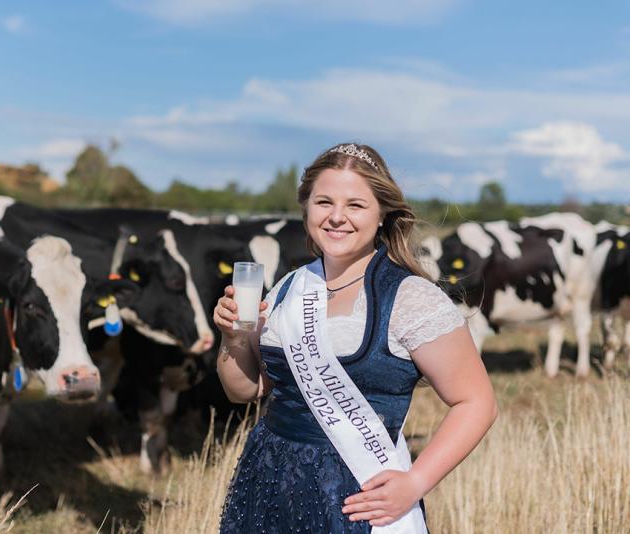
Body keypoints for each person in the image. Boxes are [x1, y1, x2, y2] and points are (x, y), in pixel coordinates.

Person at [213, 143, 498, 533]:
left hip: (355, 500)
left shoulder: (411, 298)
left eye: (355, 205)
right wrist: (233, 339)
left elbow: (477, 401)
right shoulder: (288, 287)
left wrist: (414, 483)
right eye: (324, 202)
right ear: (306, 208)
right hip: (268, 484)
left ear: (382, 214)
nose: (336, 217)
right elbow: (244, 391)